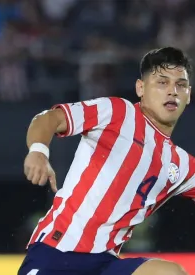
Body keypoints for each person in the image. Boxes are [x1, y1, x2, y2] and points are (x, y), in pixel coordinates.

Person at [20, 46, 194, 275]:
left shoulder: (180, 164)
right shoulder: (116, 112)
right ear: (141, 88)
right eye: (162, 83)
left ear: (188, 94)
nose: (172, 91)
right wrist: (38, 151)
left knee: (170, 274)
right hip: (57, 251)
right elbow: (50, 118)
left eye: (180, 85)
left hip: (105, 265)